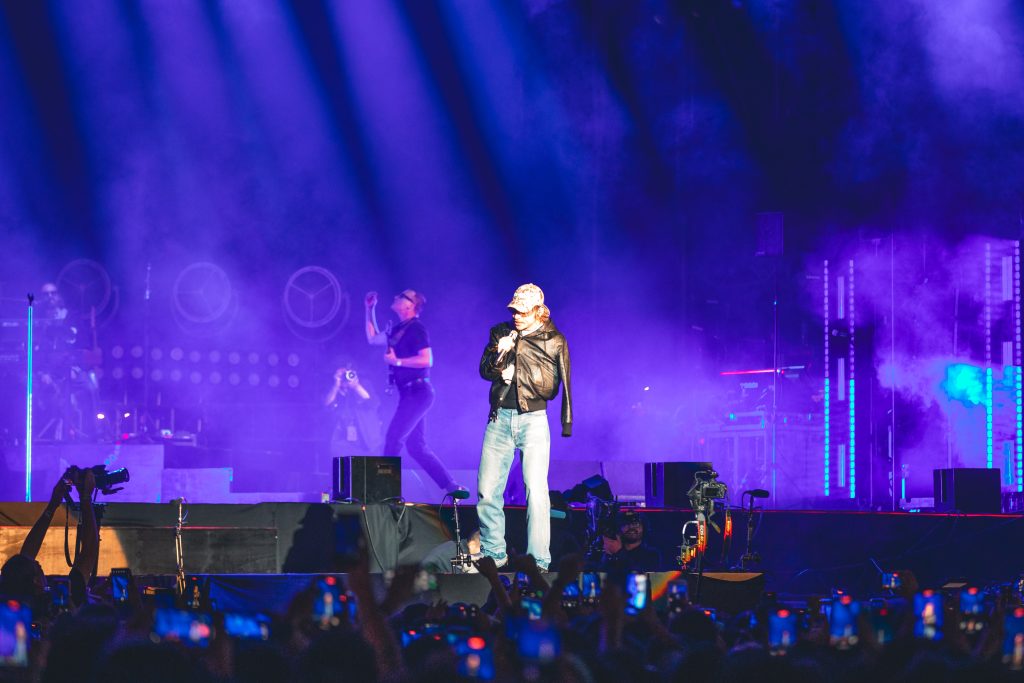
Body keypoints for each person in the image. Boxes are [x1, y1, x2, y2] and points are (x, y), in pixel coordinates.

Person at [475, 283, 572, 571]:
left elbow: (554, 387)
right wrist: (501, 354)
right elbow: (484, 370)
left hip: (533, 421)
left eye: (522, 311)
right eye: (514, 310)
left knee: (537, 491)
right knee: (487, 489)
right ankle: (494, 553)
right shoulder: (501, 332)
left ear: (538, 312)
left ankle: (538, 559)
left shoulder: (554, 340)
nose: (516, 315)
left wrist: (516, 374)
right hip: (500, 417)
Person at [365, 290, 465, 498]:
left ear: (410, 305)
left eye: (402, 295)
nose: (396, 296)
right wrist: (369, 309)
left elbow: (427, 360)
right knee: (416, 446)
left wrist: (398, 362)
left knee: (393, 439)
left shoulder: (416, 328)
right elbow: (373, 338)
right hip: (409, 394)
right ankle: (451, 486)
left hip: (418, 392)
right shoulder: (397, 329)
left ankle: (386, 493)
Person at [323, 361, 381, 459]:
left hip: (367, 442)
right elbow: (326, 405)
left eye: (348, 373)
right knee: (344, 472)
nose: (345, 377)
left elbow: (373, 403)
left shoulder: (364, 384)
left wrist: (356, 386)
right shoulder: (334, 389)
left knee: (369, 472)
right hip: (342, 443)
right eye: (342, 374)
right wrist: (336, 385)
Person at [598, 510, 663, 572]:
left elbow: (639, 574)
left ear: (644, 528)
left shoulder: (652, 555)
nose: (631, 527)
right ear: (619, 528)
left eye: (636, 524)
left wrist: (619, 552)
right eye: (626, 523)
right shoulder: (610, 552)